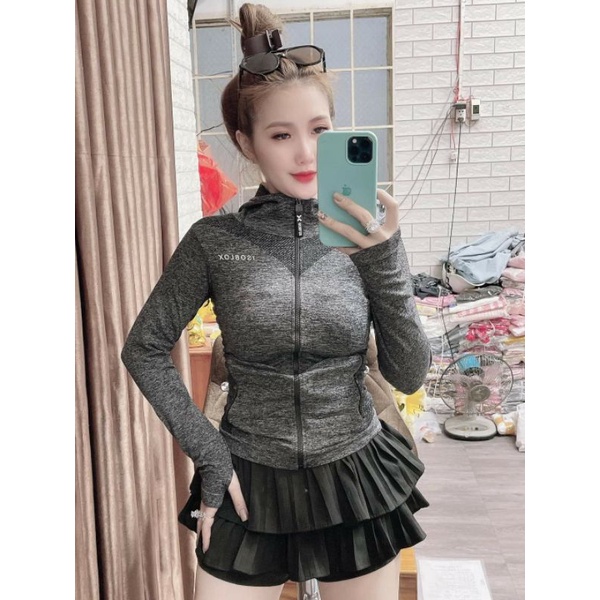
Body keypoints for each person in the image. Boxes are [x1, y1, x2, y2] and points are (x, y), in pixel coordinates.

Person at [121, 3, 432, 599]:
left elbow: (408, 374)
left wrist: (384, 261)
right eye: (281, 135)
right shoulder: (215, 241)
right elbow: (143, 348)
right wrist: (208, 453)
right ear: (247, 143)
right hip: (245, 475)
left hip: (355, 474)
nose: (305, 154)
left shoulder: (370, 236)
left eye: (318, 130)